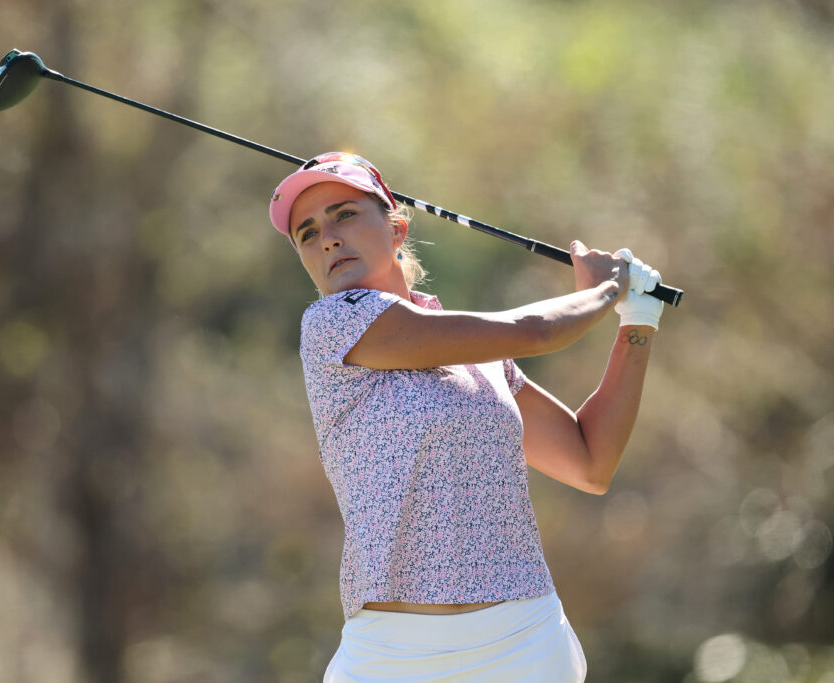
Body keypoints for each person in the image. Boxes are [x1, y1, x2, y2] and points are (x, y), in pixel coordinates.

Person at [268, 152, 664, 682]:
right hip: (393, 656)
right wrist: (606, 288)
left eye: (344, 214)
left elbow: (590, 462)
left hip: (524, 641)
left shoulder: (479, 353)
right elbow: (538, 330)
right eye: (307, 233)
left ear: (396, 229)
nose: (328, 239)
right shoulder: (330, 327)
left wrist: (637, 320)